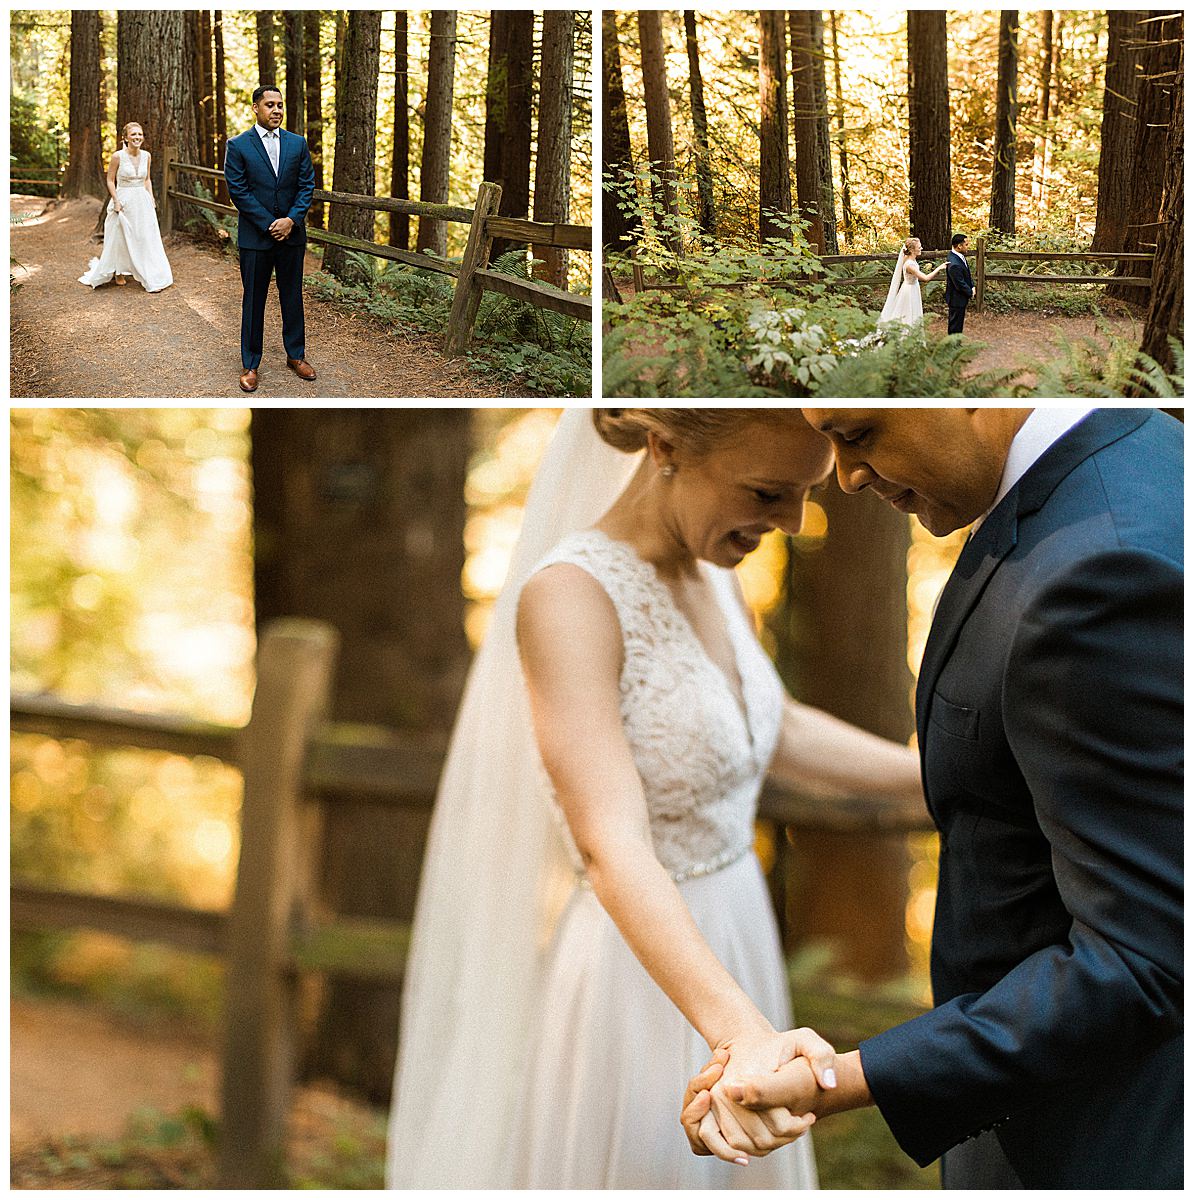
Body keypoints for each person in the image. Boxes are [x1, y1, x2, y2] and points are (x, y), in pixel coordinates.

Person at [387, 409, 925, 1188]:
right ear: (665, 447)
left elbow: (771, 723)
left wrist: (935, 776)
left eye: (805, 493)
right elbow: (611, 841)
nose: (794, 522)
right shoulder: (569, 596)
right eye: (769, 492)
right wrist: (738, 1033)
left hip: (738, 930)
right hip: (638, 971)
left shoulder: (710, 569)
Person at [683, 408, 1183, 1190]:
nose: (845, 475)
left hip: (1105, 1131)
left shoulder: (1099, 572)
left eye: (858, 433)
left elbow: (1145, 956)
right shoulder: (1142, 447)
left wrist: (846, 1077)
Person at [223, 85, 316, 393]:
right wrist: (269, 224)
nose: (276, 110)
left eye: (280, 105)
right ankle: (250, 364)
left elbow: (306, 186)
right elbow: (238, 191)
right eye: (270, 105)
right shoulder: (238, 146)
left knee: (292, 296)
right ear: (255, 108)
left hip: (292, 236)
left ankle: (296, 355)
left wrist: (291, 220)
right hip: (256, 238)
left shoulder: (297, 143)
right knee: (254, 300)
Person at [78, 122, 173, 294]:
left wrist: (151, 196)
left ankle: (144, 268)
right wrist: (116, 200)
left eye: (140, 134)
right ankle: (119, 271)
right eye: (133, 134)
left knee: (143, 235)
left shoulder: (147, 156)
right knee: (120, 236)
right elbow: (110, 180)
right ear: (126, 137)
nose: (137, 137)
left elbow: (147, 179)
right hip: (123, 199)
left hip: (142, 200)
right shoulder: (117, 157)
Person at [877, 237, 946, 328]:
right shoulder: (910, 265)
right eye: (919, 247)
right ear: (912, 250)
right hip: (909, 291)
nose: (921, 249)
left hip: (912, 287)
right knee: (907, 313)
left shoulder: (908, 258)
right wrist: (939, 268)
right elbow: (925, 278)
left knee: (912, 312)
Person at [944, 234, 976, 334]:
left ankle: (956, 345)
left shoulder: (958, 256)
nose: (968, 246)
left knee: (958, 324)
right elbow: (959, 283)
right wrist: (970, 292)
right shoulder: (954, 263)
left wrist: (972, 285)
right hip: (956, 298)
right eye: (966, 244)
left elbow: (967, 274)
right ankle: (953, 346)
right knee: (955, 325)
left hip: (960, 297)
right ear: (959, 246)